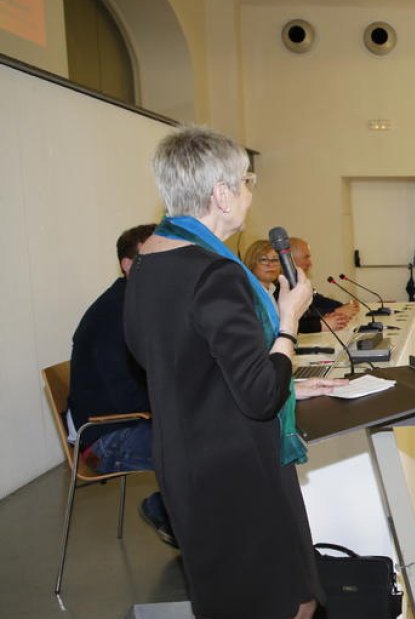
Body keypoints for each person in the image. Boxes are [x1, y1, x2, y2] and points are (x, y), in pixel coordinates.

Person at [124, 127, 346, 619]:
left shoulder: (145, 265)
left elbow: (168, 362)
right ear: (221, 195)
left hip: (185, 462)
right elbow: (260, 396)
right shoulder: (216, 273)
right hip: (239, 468)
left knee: (227, 599)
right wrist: (288, 318)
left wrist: (291, 379)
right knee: (290, 600)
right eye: (247, 182)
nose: (250, 194)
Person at [68, 223, 174, 546]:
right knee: (200, 445)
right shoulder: (113, 315)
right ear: (129, 266)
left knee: (210, 435)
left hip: (129, 423)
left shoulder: (138, 304)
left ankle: (185, 519)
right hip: (104, 439)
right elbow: (128, 396)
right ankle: (167, 510)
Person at [291, 237, 356, 333]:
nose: (310, 263)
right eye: (306, 257)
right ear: (290, 260)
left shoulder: (299, 283)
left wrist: (342, 307)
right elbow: (300, 320)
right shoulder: (280, 288)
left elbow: (317, 301)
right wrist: (335, 313)